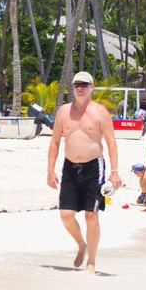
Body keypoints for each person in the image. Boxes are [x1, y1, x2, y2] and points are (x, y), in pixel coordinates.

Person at [47, 71, 120, 275]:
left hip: (94, 168)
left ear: (91, 87)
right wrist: (50, 170)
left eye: (84, 84)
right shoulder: (63, 111)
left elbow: (111, 143)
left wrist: (114, 173)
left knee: (91, 216)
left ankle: (92, 262)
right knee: (66, 215)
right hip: (70, 167)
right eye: (77, 84)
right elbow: (54, 142)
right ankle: (81, 245)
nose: (80, 87)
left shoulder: (100, 112)